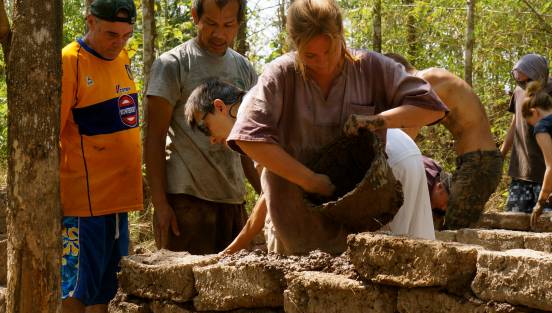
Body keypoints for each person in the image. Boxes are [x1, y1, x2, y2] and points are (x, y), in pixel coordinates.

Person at [189, 0, 448, 255]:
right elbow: (248, 139)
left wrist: (379, 120)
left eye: (329, 50)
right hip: (297, 230)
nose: (323, 63)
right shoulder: (279, 76)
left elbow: (430, 108)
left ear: (341, 35)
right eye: (310, 56)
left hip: (362, 226)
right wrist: (310, 180)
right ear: (295, 44)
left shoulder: (370, 67)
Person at [185, 80, 436, 254]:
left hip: (376, 162)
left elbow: (266, 201)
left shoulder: (251, 120)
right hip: (397, 147)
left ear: (219, 107)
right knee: (420, 256)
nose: (212, 139)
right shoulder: (264, 98)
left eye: (205, 127)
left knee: (389, 259)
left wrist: (231, 250)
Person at [145, 0, 259, 255]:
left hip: (232, 200)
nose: (219, 34)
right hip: (186, 202)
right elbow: (153, 139)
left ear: (238, 24)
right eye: (211, 23)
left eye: (228, 25)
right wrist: (161, 205)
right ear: (195, 16)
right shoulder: (172, 65)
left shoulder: (244, 69)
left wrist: (266, 192)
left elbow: (250, 141)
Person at [60, 0, 143, 313]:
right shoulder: (70, 61)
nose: (119, 42)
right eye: (111, 34)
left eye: (126, 35)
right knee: (75, 288)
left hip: (118, 202)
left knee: (107, 291)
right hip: (84, 204)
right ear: (90, 21)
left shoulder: (124, 59)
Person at [386, 53, 502, 229]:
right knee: (452, 228)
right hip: (475, 161)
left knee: (455, 231)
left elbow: (406, 134)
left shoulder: (425, 80)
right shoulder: (428, 80)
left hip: (480, 162)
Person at [501, 54, 552, 213]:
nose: (524, 85)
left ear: (539, 75)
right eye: (519, 82)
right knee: (514, 225)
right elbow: (515, 123)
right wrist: (501, 153)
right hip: (521, 171)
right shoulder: (518, 91)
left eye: (527, 81)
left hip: (546, 173)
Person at [521, 81, 552, 227]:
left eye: (530, 123)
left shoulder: (542, 126)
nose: (533, 127)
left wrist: (540, 201)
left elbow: (551, 166)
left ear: (534, 112)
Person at [422, 155, 451, 228]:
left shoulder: (436, 169)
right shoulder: (424, 183)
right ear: (440, 187)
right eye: (446, 203)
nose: (443, 208)